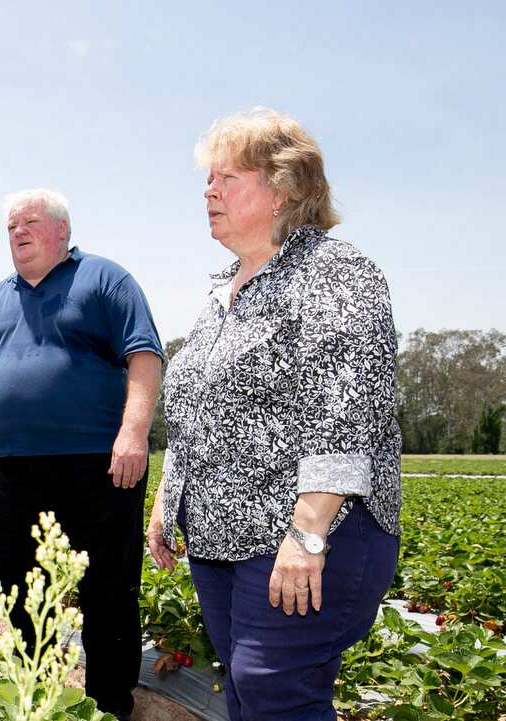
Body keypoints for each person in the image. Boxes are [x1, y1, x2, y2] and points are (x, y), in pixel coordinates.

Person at [148, 107, 401, 721]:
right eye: (208, 179)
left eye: (227, 177)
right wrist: (166, 499)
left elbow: (347, 410)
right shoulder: (223, 290)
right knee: (243, 684)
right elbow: (197, 409)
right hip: (221, 540)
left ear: (284, 187)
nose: (209, 191)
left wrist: (308, 534)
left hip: (308, 533)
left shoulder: (333, 273)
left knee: (271, 686)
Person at [0, 189, 164, 720]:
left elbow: (145, 356)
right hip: (17, 471)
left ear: (62, 231)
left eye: (31, 223)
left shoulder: (106, 280)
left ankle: (109, 703)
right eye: (11, 226)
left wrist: (132, 434)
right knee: (18, 583)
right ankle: (33, 692)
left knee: (108, 588)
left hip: (100, 464)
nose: (18, 232)